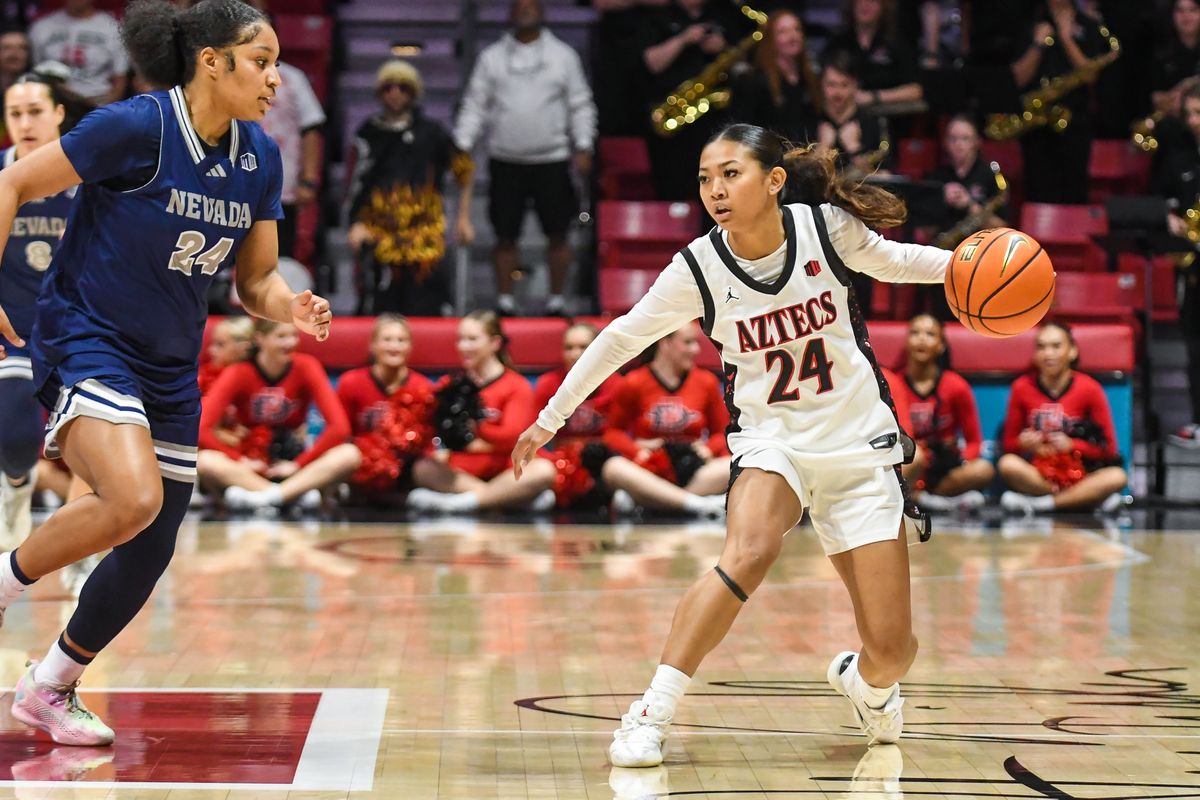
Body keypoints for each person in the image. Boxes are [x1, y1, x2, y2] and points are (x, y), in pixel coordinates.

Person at [512, 123, 952, 767]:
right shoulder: (697, 266)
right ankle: (650, 714)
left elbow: (903, 262)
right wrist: (549, 419)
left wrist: (976, 264)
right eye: (704, 178)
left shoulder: (824, 230)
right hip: (773, 441)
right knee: (747, 550)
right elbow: (620, 337)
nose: (714, 190)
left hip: (859, 445)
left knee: (893, 650)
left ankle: (866, 684)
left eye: (730, 174)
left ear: (773, 181)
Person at [0, 0, 333, 746]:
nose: (276, 79)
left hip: (169, 360)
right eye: (261, 61)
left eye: (279, 62)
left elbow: (255, 284)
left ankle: (49, 685)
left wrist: (292, 306)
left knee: (150, 540)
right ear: (211, 61)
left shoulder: (259, 157)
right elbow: (12, 184)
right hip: (87, 334)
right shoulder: (135, 127)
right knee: (131, 495)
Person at [454, 0, 596, 316]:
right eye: (519, 5)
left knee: (558, 233)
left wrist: (583, 144)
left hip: (553, 159)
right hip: (505, 160)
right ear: (510, 13)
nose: (525, 10)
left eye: (531, 5)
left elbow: (580, 104)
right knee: (505, 234)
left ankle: (557, 300)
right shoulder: (491, 58)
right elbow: (475, 103)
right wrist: (462, 143)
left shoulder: (563, 57)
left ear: (543, 11)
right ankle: (505, 301)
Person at [0, 73, 75, 550]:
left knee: (94, 453)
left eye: (35, 112)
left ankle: (81, 556)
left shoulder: (90, 179)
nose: (25, 123)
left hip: (74, 331)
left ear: (59, 113)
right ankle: (16, 485)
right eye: (15, 113)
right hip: (13, 333)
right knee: (15, 437)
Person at [348, 60, 474, 316]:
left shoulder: (432, 133)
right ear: (379, 93)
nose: (395, 94)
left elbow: (465, 171)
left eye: (403, 88)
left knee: (425, 309)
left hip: (424, 238)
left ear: (413, 93)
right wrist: (356, 222)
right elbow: (355, 182)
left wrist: (463, 218)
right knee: (380, 312)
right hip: (379, 237)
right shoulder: (367, 134)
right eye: (388, 88)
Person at [407, 310, 558, 513]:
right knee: (423, 468)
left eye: (472, 339)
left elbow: (512, 438)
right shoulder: (449, 384)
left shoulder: (516, 385)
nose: (463, 346)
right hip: (463, 470)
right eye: (460, 339)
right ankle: (503, 499)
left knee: (543, 471)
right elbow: (439, 434)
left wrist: (476, 428)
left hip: (505, 466)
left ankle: (461, 504)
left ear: (495, 343)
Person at [196, 320, 357, 511]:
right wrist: (241, 461)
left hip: (293, 460)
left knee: (350, 454)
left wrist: (298, 464)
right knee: (205, 460)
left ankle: (265, 497)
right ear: (260, 338)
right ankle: (293, 496)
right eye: (281, 336)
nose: (290, 343)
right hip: (252, 463)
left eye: (293, 336)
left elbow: (339, 428)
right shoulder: (239, 371)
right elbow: (201, 427)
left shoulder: (306, 366)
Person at [600, 323, 731, 517]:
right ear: (665, 343)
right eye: (687, 342)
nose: (695, 350)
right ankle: (699, 504)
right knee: (613, 468)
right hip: (648, 469)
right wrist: (637, 451)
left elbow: (722, 432)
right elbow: (612, 433)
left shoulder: (707, 382)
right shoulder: (634, 381)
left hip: (693, 468)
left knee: (734, 463)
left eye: (695, 342)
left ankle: (650, 501)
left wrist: (707, 449)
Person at [998, 322, 1127, 515]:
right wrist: (1024, 444)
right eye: (1041, 347)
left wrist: (1072, 445)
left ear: (1072, 351)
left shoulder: (1090, 388)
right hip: (1040, 474)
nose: (1048, 354)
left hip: (1082, 473)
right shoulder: (1021, 387)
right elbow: (1008, 445)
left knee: (1117, 476)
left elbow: (1108, 448)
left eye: (1056, 346)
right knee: (1007, 464)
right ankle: (1084, 500)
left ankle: (1041, 505)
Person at [1008, 0, 1111, 204]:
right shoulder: (1028, 24)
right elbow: (1017, 79)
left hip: (1075, 123)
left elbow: (1090, 76)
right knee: (1038, 193)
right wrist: (1038, 44)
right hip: (1035, 123)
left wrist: (1065, 38)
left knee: (1074, 191)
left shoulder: (1089, 25)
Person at [897, 314, 993, 512]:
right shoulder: (893, 385)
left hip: (944, 470)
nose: (922, 339)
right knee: (916, 458)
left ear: (941, 345)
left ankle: (925, 499)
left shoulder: (956, 386)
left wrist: (959, 459)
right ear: (906, 342)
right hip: (910, 463)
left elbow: (975, 442)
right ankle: (933, 500)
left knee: (984, 469)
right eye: (915, 333)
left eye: (930, 334)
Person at [337, 314, 436, 500]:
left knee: (430, 465)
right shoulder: (351, 382)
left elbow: (428, 444)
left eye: (401, 340)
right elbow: (339, 434)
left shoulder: (424, 387)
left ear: (410, 346)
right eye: (387, 340)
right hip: (360, 466)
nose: (394, 346)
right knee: (345, 455)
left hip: (408, 468)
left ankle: (467, 500)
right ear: (372, 345)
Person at [532, 322, 623, 509]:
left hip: (604, 464)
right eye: (569, 348)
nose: (575, 354)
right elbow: (532, 434)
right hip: (560, 464)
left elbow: (622, 435)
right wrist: (552, 461)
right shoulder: (548, 384)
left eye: (583, 347)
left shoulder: (617, 385)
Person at [1154, 84, 1200, 447]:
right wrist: (1168, 217)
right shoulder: (1180, 158)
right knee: (1195, 346)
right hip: (1194, 265)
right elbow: (1161, 199)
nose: (1195, 121)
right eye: (1190, 114)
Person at [259, 59, 325, 262]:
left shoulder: (292, 77)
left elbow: (311, 128)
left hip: (282, 191)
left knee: (279, 263)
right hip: (233, 192)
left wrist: (308, 180)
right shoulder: (229, 72)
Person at [732, 10, 820, 144]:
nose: (793, 36)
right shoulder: (754, 81)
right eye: (783, 32)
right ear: (771, 39)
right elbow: (742, 130)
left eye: (797, 29)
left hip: (804, 157)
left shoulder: (810, 77)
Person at [823, 0, 923, 109]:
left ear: (883, 7)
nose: (865, 5)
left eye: (872, 1)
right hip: (845, 117)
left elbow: (915, 90)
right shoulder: (837, 43)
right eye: (859, 1)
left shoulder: (897, 43)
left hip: (889, 117)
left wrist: (874, 97)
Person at [29, 0, 128, 106]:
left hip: (98, 100)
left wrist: (102, 112)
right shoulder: (40, 28)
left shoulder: (112, 28)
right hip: (54, 102)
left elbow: (120, 79)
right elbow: (35, 74)